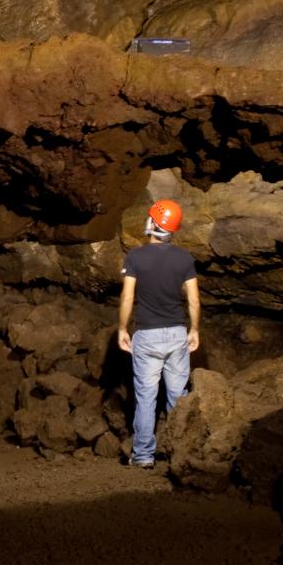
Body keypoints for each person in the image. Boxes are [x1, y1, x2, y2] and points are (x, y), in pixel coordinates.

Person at [116, 198, 200, 468]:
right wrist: (194, 329)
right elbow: (194, 300)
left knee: (145, 398)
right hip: (176, 334)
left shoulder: (135, 257)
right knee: (178, 397)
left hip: (147, 335)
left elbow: (127, 297)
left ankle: (143, 456)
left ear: (153, 222)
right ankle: (179, 453)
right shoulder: (184, 258)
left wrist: (122, 329)